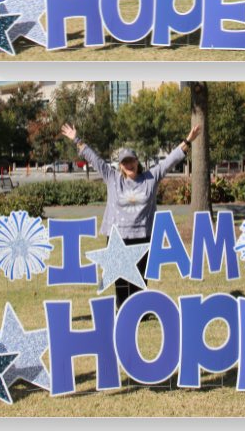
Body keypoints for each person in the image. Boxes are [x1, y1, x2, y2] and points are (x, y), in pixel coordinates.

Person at [60, 121, 201, 306]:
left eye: (131, 161)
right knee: (119, 280)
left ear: (137, 162)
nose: (129, 164)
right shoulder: (112, 178)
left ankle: (139, 309)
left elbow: (170, 161)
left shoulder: (150, 178)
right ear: (120, 165)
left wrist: (188, 141)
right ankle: (123, 308)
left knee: (140, 278)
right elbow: (94, 159)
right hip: (117, 236)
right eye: (124, 162)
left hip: (143, 235)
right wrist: (76, 139)